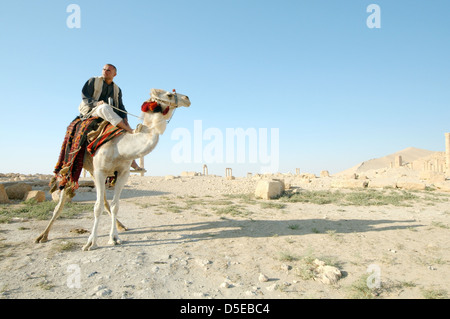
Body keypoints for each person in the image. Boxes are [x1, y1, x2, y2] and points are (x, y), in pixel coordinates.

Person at [79, 64, 144, 171]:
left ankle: (133, 162)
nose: (105, 71)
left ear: (115, 74)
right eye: (104, 69)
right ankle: (130, 130)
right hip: (92, 110)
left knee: (124, 133)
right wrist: (96, 103)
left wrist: (125, 118)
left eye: (108, 70)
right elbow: (85, 97)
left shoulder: (117, 89)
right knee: (104, 107)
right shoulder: (93, 81)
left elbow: (120, 106)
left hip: (109, 113)